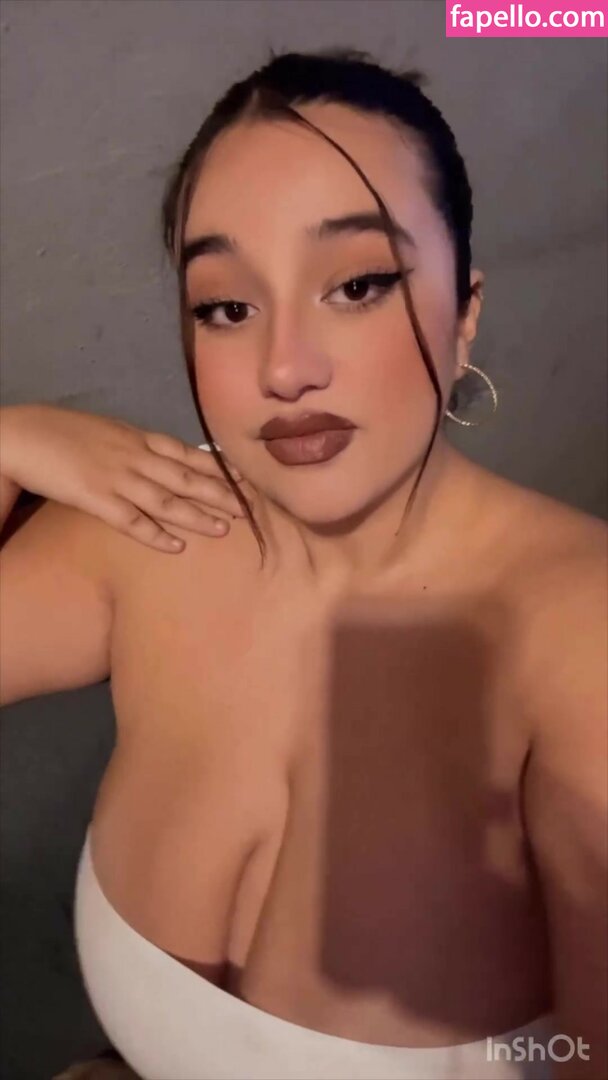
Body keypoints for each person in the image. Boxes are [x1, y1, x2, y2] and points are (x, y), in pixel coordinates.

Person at [1, 46, 606, 1080]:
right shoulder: (149, 531)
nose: (284, 368)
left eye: (357, 285)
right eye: (226, 307)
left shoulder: (576, 640)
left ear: (463, 312)